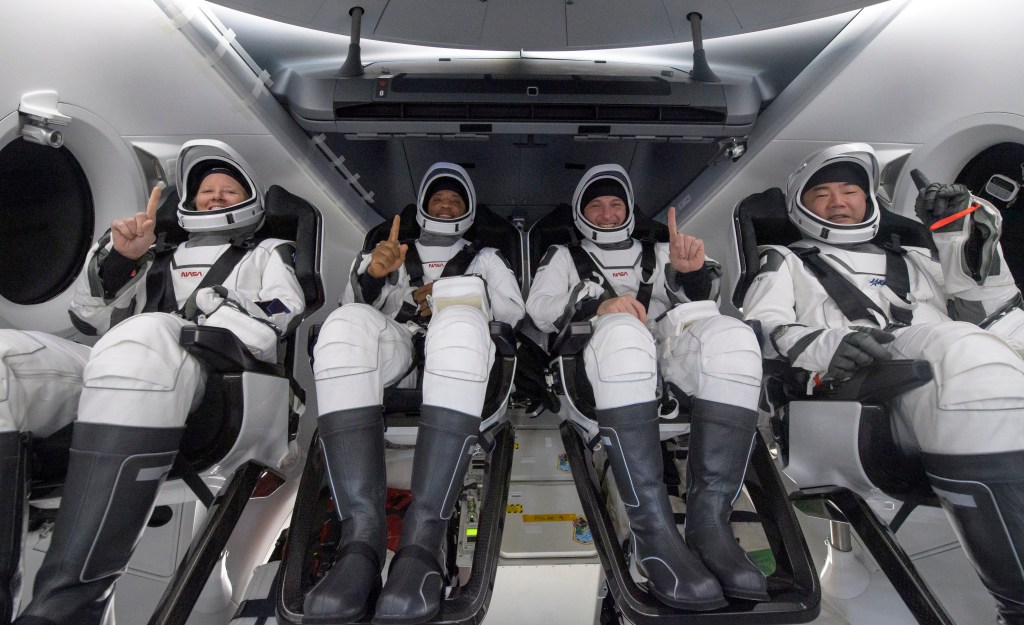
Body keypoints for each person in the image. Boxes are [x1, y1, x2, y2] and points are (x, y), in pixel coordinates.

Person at [2, 139, 305, 625]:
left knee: (145, 336)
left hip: (217, 379)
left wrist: (213, 309)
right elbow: (89, 320)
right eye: (207, 190)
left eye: (229, 189)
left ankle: (67, 611)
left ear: (249, 200)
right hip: (118, 363)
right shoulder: (155, 253)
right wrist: (121, 261)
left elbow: (278, 315)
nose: (216, 197)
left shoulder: (269, 253)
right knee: (6, 356)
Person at [742, 143, 1024, 624]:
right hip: (854, 391)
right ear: (800, 208)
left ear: (868, 199)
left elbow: (993, 313)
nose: (838, 202)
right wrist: (824, 346)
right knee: (969, 356)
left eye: (849, 190)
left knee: (982, 352)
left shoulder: (917, 257)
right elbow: (763, 329)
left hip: (950, 370)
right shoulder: (785, 261)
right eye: (822, 194)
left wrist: (959, 237)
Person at [526, 164, 768, 610]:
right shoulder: (563, 255)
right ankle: (652, 534)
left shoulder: (661, 251)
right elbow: (539, 309)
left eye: (615, 204)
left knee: (733, 335)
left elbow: (697, 306)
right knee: (622, 329)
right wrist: (600, 303)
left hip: (668, 359)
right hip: (601, 360)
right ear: (581, 214)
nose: (605, 213)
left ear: (628, 210)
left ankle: (709, 526)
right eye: (595, 206)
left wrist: (690, 276)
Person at [306, 162, 524, 624]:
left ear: (468, 211)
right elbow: (356, 308)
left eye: (455, 201)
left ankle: (421, 548)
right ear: (423, 207)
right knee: (343, 325)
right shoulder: (389, 250)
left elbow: (511, 312)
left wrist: (455, 293)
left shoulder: (486, 257)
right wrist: (373, 276)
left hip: (462, 350)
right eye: (438, 200)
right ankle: (359, 546)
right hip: (400, 349)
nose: (446, 206)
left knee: (460, 321)